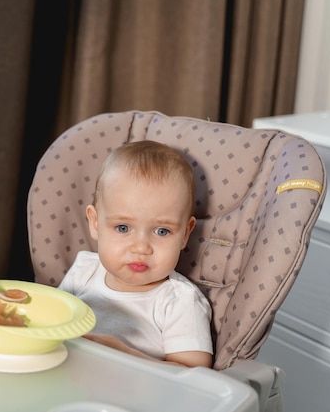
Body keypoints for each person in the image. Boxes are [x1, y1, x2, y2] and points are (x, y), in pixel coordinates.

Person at [58, 140, 213, 368]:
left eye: (162, 231)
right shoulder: (83, 272)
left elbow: (196, 379)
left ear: (184, 234)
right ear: (95, 222)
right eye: (123, 228)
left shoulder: (179, 302)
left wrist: (124, 354)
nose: (141, 247)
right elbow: (53, 324)